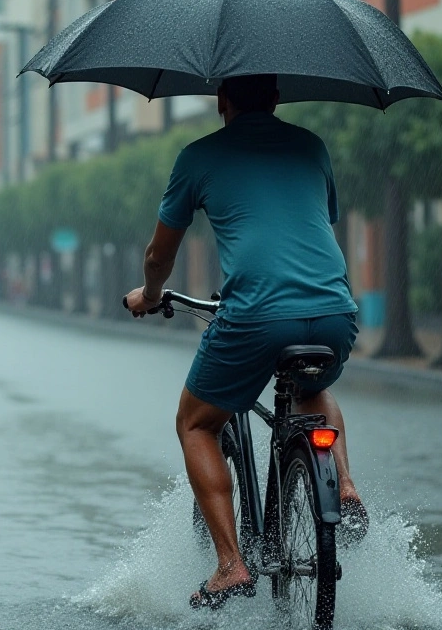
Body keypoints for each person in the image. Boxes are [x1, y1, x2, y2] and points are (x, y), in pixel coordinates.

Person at [123, 74, 367, 611]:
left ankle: (231, 564)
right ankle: (344, 484)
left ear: (221, 101)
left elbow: (160, 255)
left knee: (195, 422)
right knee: (311, 389)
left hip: (256, 316)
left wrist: (152, 294)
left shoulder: (198, 157)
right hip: (334, 313)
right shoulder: (312, 146)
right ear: (277, 98)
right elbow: (315, 224)